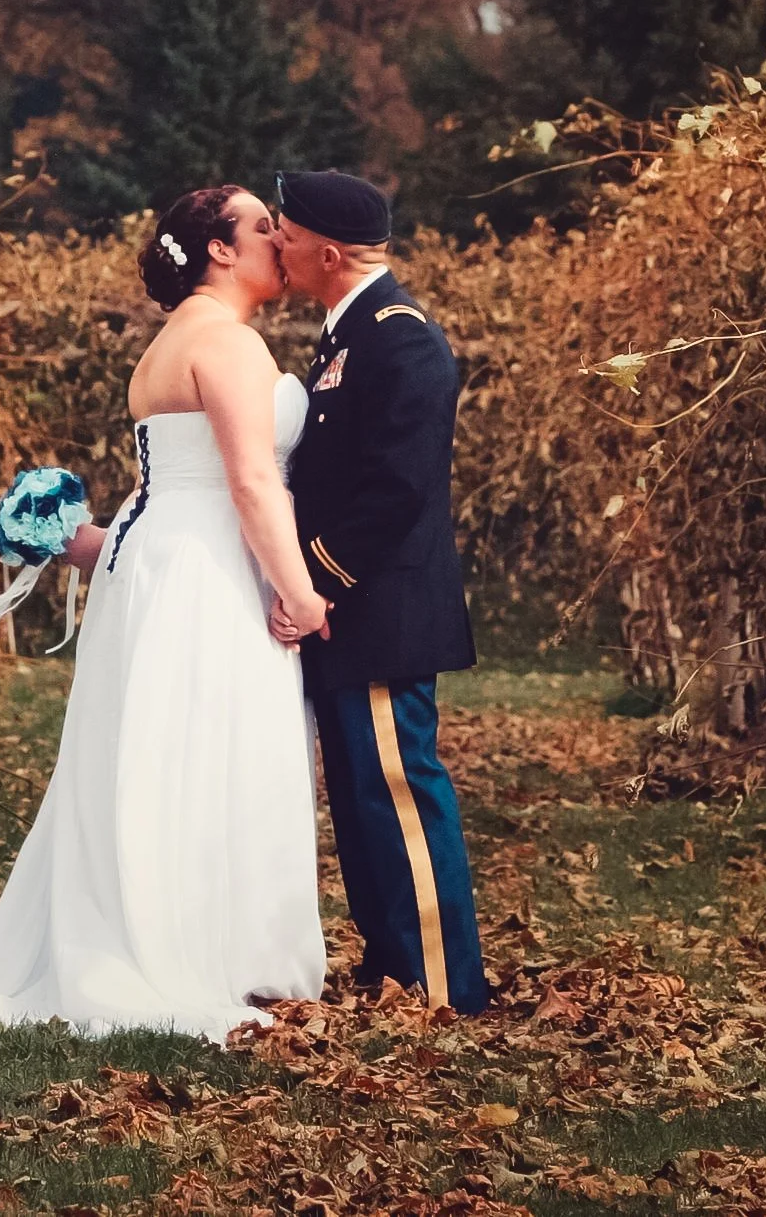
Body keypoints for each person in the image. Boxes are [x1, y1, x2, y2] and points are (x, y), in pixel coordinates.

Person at [0, 185, 329, 1041]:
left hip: (151, 562)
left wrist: (76, 540)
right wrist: (299, 592)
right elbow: (249, 483)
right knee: (214, 746)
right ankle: (208, 950)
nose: (277, 240)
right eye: (260, 227)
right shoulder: (230, 344)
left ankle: (157, 930)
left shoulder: (165, 348)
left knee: (149, 750)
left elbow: (163, 491)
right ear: (217, 249)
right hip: (208, 571)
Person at [267, 169, 491, 1014]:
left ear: (327, 250)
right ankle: (395, 965)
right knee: (363, 796)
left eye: (286, 233)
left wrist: (313, 579)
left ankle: (440, 982)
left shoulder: (399, 338)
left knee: (397, 790)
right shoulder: (347, 334)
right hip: (352, 613)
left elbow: (397, 489)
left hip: (380, 610)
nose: (277, 246)